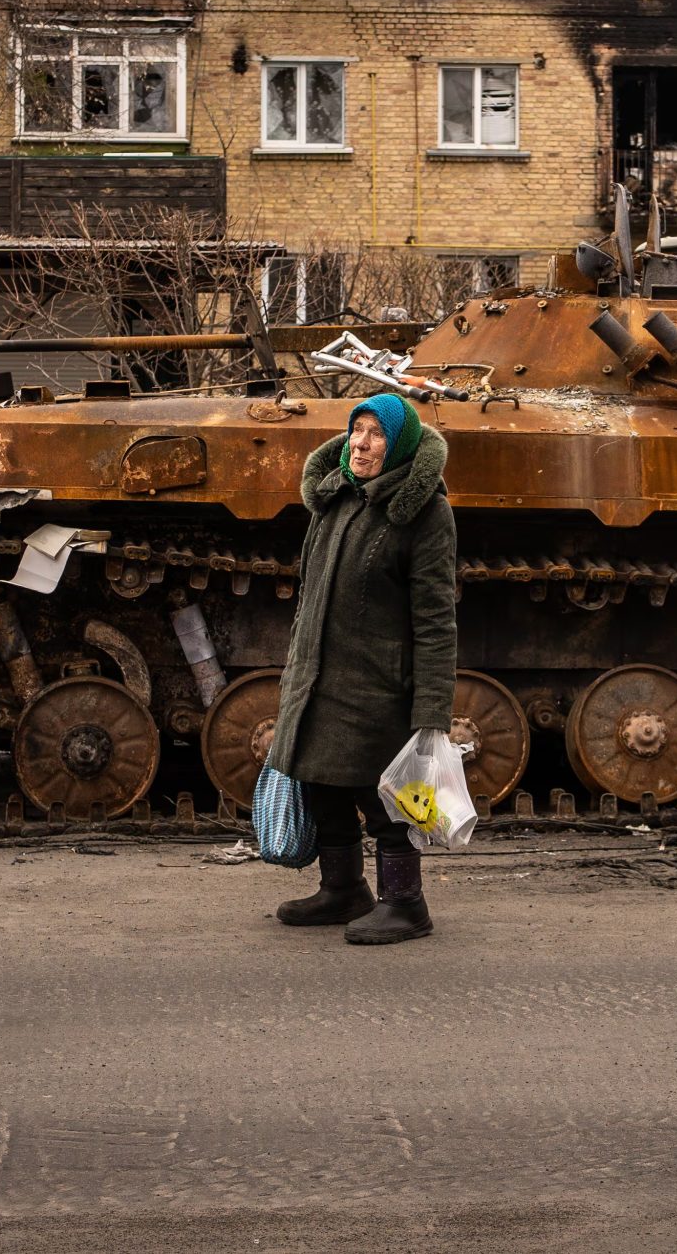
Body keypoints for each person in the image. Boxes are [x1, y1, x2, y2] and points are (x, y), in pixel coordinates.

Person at [259, 391, 456, 945]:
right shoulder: (336, 498)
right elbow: (310, 597)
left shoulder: (426, 513)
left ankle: (406, 903)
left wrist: (432, 710)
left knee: (385, 798)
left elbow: (438, 620)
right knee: (321, 783)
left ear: (399, 446)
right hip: (319, 677)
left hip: (379, 684)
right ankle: (343, 890)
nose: (361, 444)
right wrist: (296, 671)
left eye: (376, 434)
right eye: (357, 430)